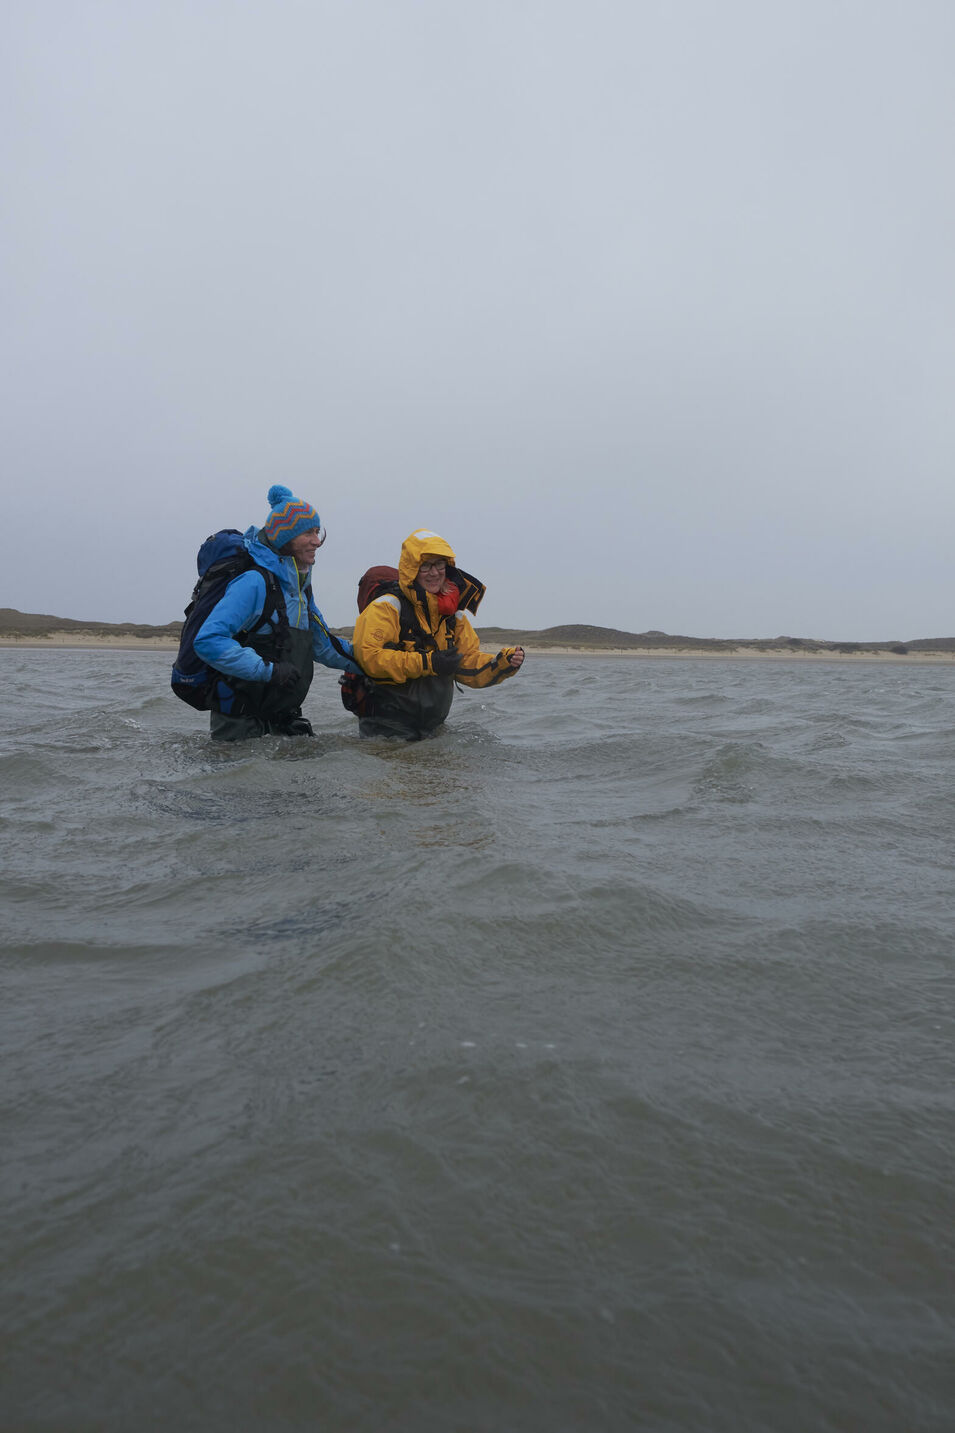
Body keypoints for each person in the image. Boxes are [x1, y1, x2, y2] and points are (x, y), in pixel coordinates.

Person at [195, 485, 361, 741]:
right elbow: (208, 641)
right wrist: (268, 671)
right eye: (308, 532)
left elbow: (323, 646)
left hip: (282, 716)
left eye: (317, 531)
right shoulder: (253, 582)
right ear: (286, 537)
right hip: (240, 721)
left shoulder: (301, 587)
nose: (317, 540)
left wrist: (376, 662)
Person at [351, 527, 525, 739]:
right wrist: (429, 663)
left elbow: (466, 663)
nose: (434, 573)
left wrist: (501, 663)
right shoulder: (386, 608)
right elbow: (370, 658)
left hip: (432, 728)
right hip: (385, 729)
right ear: (411, 569)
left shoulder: (454, 616)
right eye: (425, 566)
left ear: (448, 567)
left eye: (439, 564)